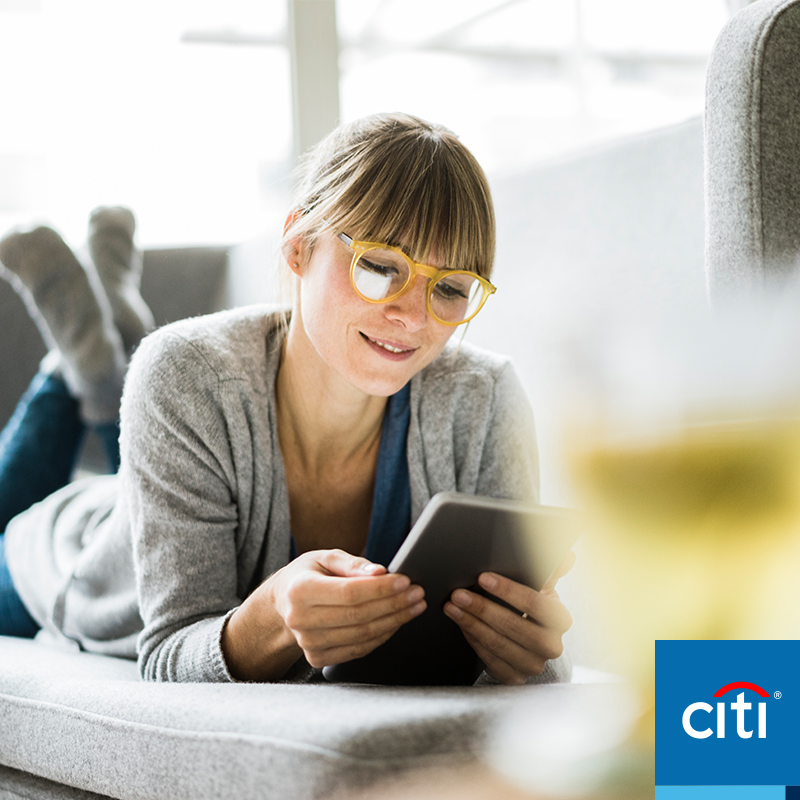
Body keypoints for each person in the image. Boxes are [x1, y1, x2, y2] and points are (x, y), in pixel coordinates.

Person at [0, 113, 573, 685]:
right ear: (298, 245)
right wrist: (272, 617)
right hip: (63, 554)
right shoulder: (186, 372)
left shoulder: (485, 398)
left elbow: (535, 652)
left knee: (146, 414)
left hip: (170, 468)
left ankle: (105, 355)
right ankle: (82, 367)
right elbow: (169, 653)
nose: (414, 317)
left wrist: (533, 654)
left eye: (449, 288)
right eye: (379, 266)